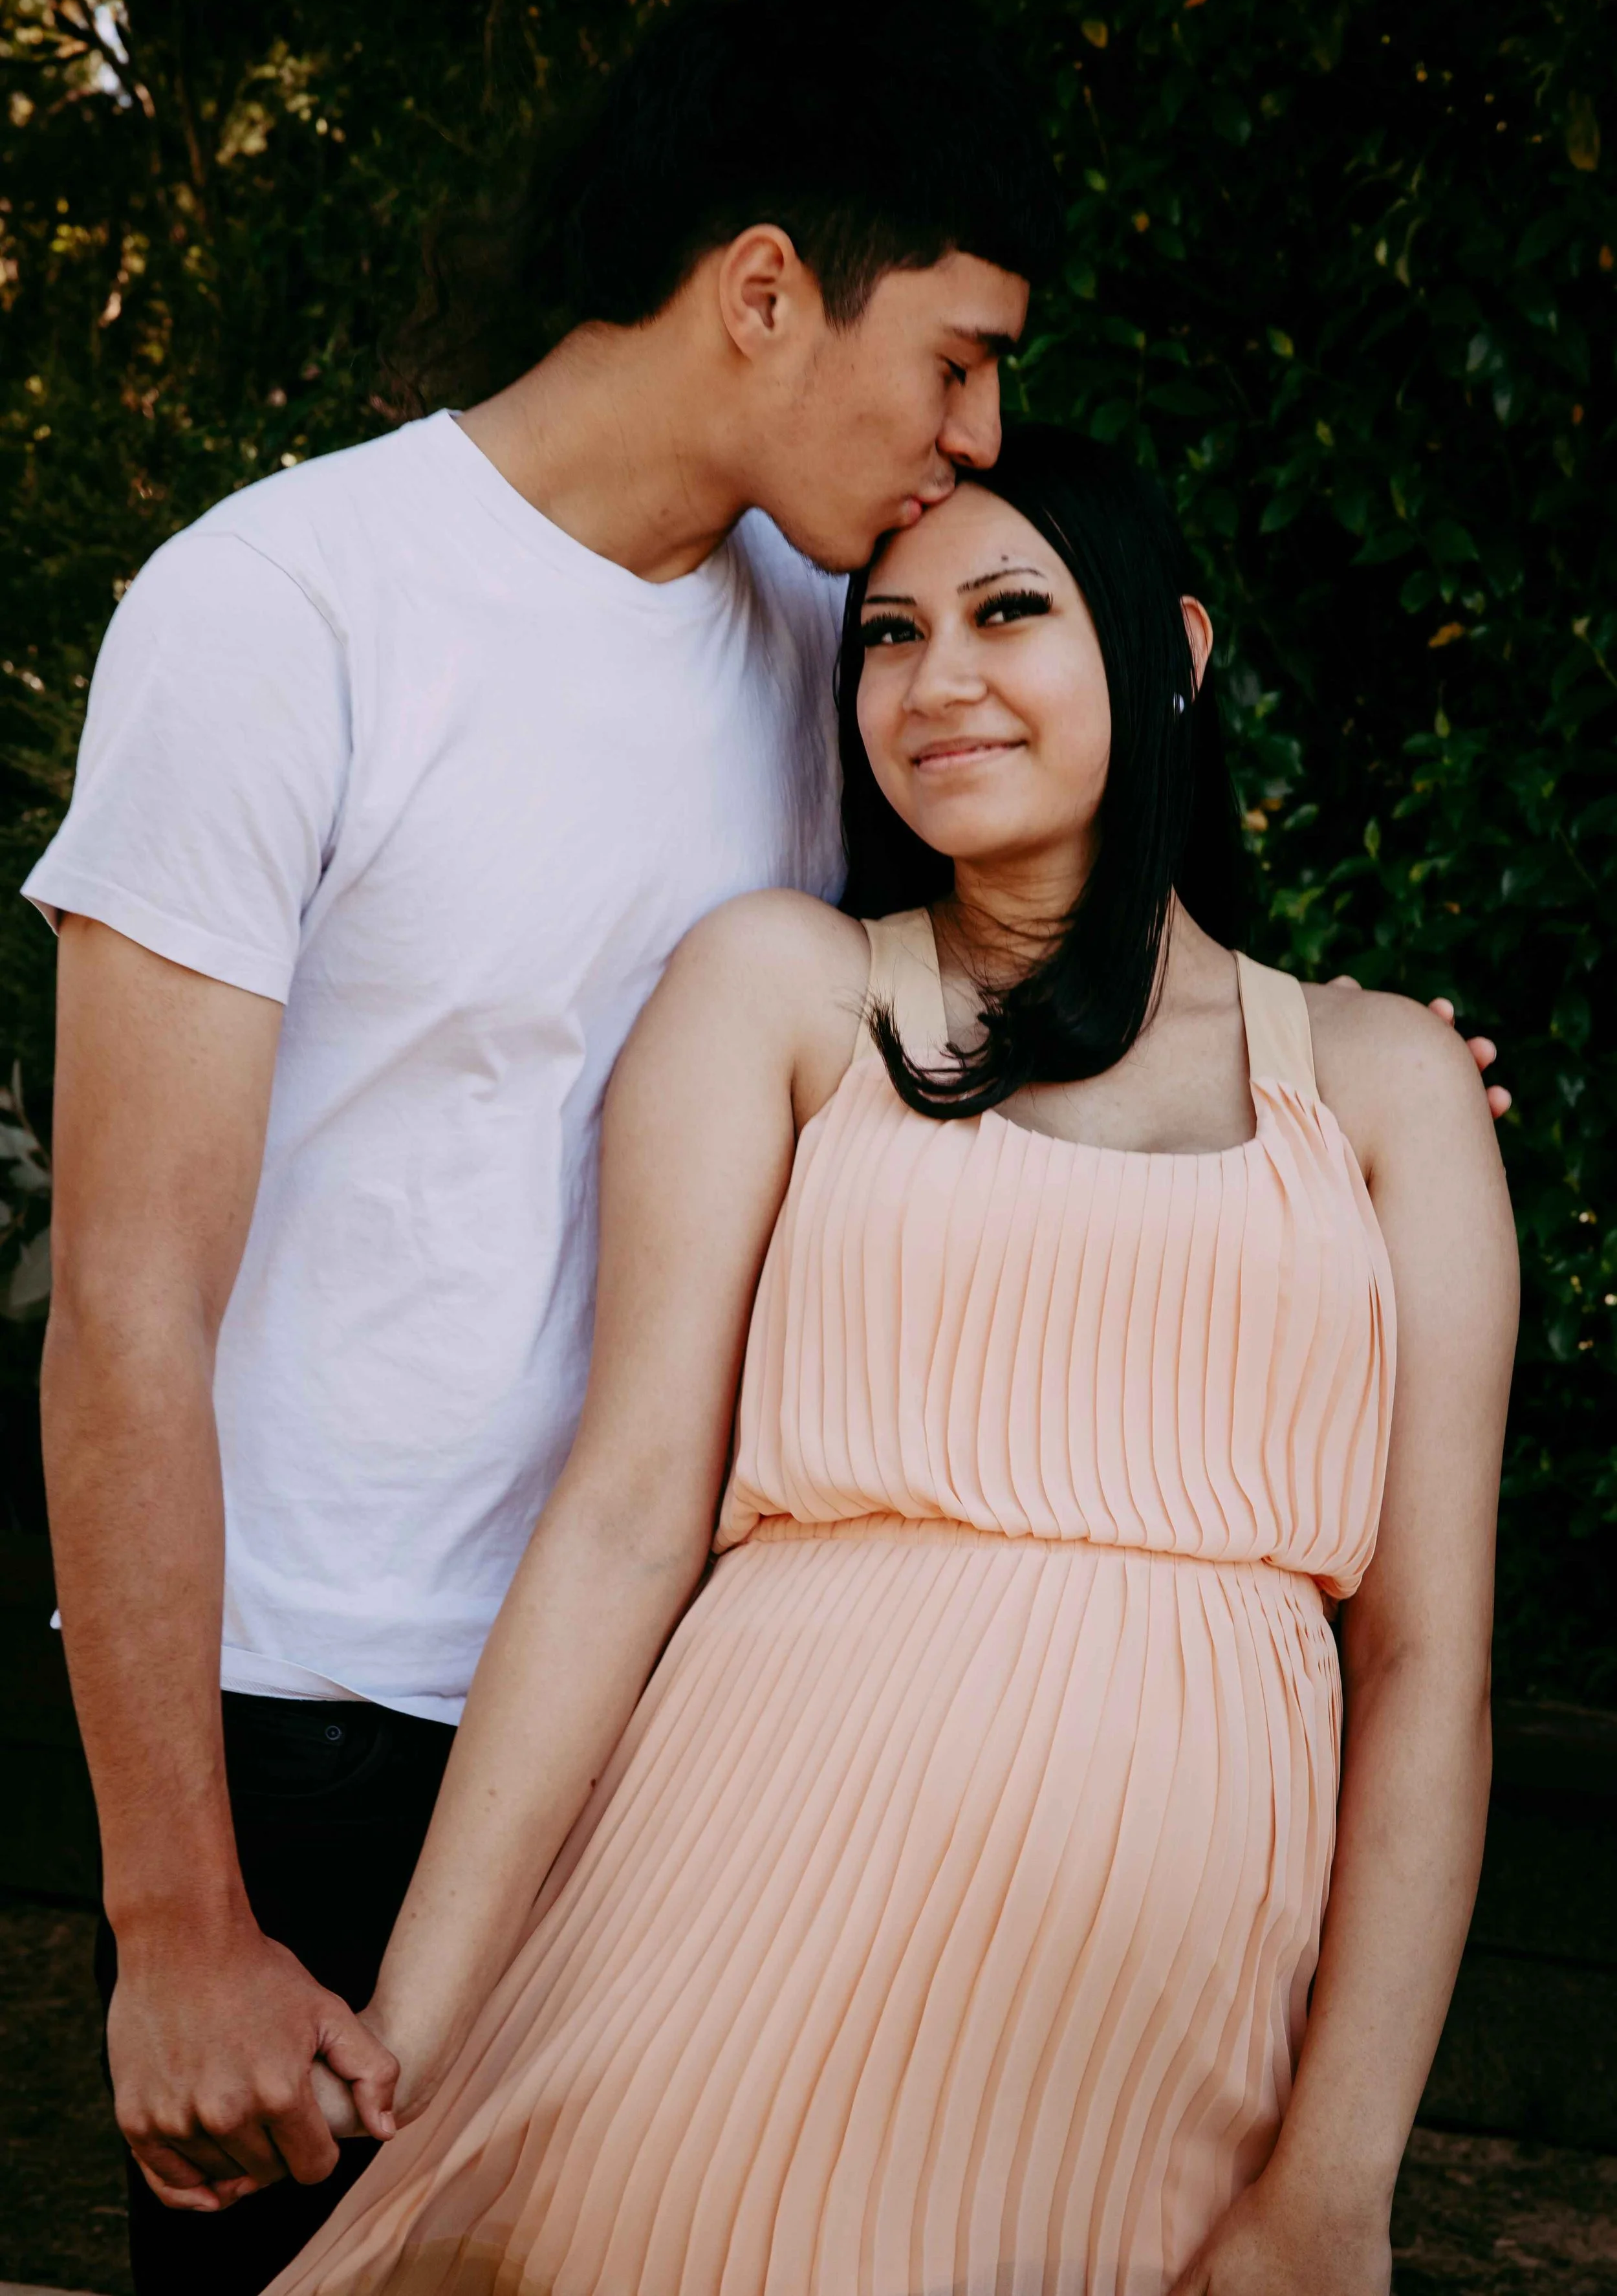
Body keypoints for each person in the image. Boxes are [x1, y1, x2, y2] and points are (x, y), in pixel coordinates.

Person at [28, 0, 1063, 2293]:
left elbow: (1027, 980)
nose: (978, 433)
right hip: (319, 1727)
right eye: (955, 358)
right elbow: (128, 1299)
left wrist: (1339, 1073)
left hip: (687, 1725)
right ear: (764, 292)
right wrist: (176, 1917)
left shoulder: (848, 647)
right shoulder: (285, 604)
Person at [260, 426, 1519, 2296]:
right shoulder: (785, 990)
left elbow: (1426, 1664)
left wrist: (1337, 2184)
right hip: (737, 1931)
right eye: (888, 635)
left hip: (1159, 2050)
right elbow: (624, 1518)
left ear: (1171, 649)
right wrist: (415, 2027)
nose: (936, 683)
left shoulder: (1383, 1080)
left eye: (1009, 613)